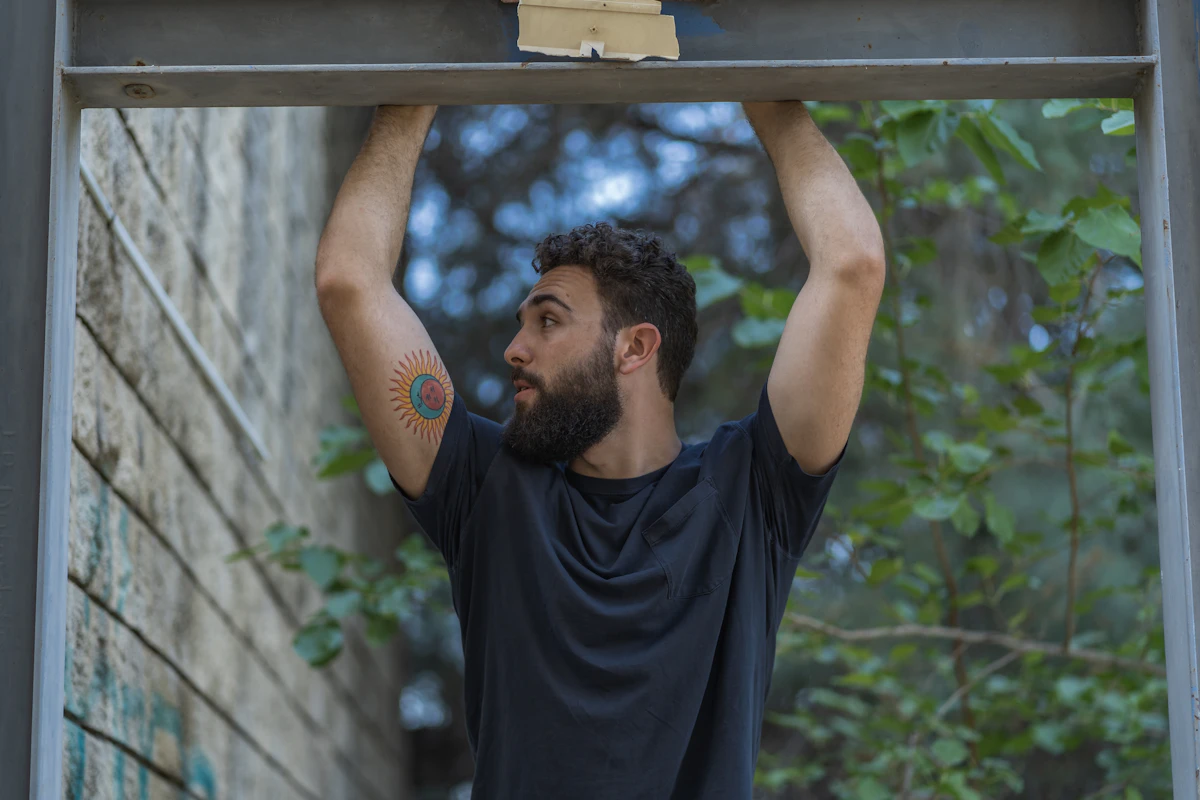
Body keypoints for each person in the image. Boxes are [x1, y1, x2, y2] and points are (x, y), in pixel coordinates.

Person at [314, 101, 885, 799]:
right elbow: (350, 281)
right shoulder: (485, 486)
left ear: (636, 347)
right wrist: (415, 92)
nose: (514, 350)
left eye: (547, 321)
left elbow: (852, 265)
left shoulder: (753, 490)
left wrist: (765, 98)